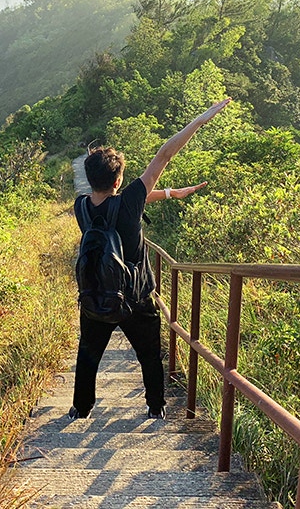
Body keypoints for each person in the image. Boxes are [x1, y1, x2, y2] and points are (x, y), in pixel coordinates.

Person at [69, 98, 232, 420]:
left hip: (94, 294)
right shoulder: (129, 201)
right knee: (148, 355)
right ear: (119, 182)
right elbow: (164, 154)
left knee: (88, 355)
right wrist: (201, 119)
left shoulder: (81, 206)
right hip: (136, 297)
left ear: (90, 179)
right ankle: (155, 408)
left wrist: (171, 192)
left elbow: (127, 197)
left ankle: (81, 408)